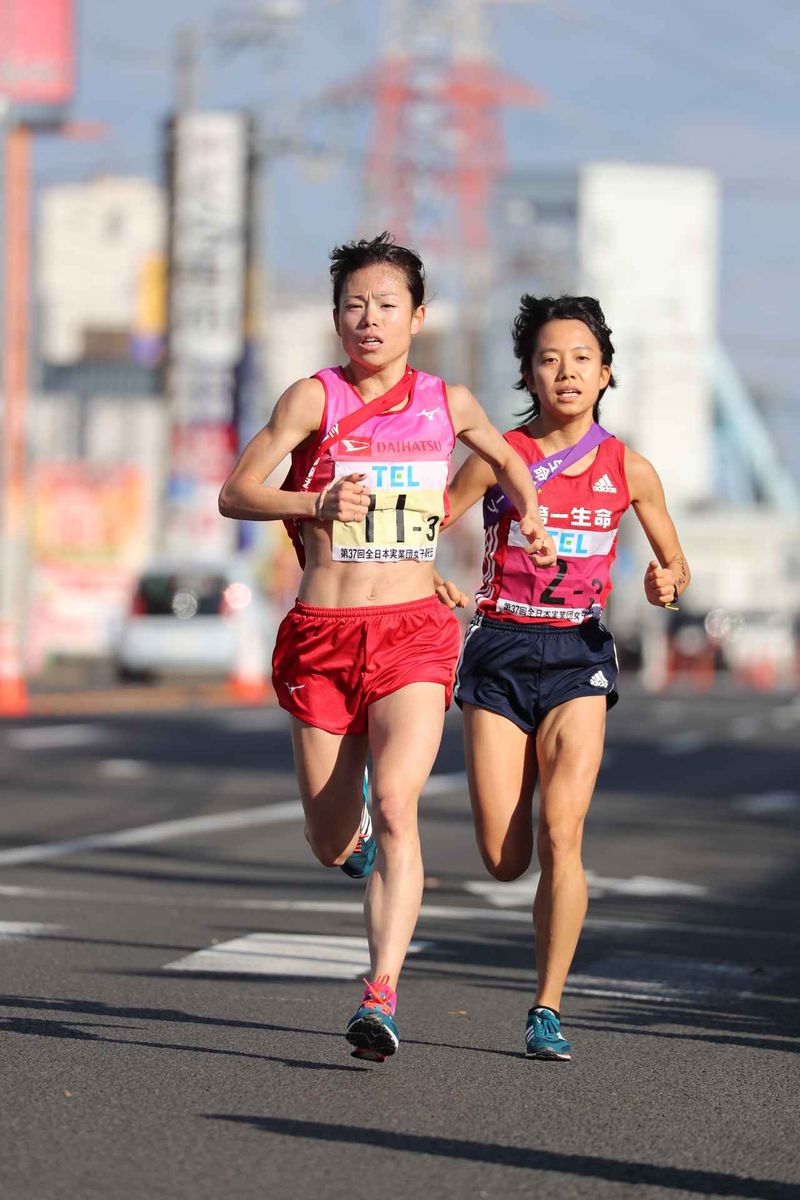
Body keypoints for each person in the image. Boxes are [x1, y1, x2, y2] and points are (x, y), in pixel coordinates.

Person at [218, 233, 555, 1062]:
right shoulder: (313, 399)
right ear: (337, 319)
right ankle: (355, 847)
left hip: (411, 634)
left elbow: (511, 460)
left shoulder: (449, 401)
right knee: (330, 836)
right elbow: (235, 492)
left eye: (387, 306)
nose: (369, 320)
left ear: (418, 318)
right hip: (322, 635)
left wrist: (534, 519)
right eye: (355, 306)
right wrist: (313, 499)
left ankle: (380, 994)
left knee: (401, 801)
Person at [436, 294, 690, 1061]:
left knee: (562, 833)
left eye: (581, 358)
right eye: (549, 359)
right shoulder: (498, 456)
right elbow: (430, 521)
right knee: (505, 858)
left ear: (605, 373)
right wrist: (424, 578)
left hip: (579, 655)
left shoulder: (630, 468)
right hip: (500, 651)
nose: (566, 371)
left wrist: (665, 582)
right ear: (530, 374)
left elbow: (676, 563)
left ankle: (547, 1004)